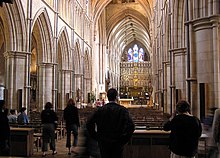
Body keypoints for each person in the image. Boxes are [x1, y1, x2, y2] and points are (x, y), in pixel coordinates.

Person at [86, 88, 135, 158]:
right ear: (116, 97)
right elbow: (131, 126)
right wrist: (124, 140)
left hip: (103, 143)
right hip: (117, 143)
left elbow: (89, 123)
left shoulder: (100, 110)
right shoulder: (122, 110)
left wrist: (97, 137)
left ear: (107, 97)